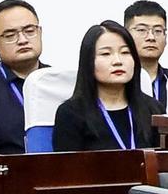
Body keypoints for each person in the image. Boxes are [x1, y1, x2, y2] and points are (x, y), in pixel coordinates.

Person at [52, 21, 156, 151]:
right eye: (106, 54)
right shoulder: (70, 114)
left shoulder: (153, 109)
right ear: (89, 62)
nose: (118, 61)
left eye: (125, 52)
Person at [0, 0, 47, 154]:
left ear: (40, 32)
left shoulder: (58, 81)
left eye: (29, 31)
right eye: (10, 35)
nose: (23, 40)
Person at [124, 0, 168, 112]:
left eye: (158, 31)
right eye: (142, 30)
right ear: (125, 35)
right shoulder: (118, 81)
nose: (151, 37)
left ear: (165, 38)